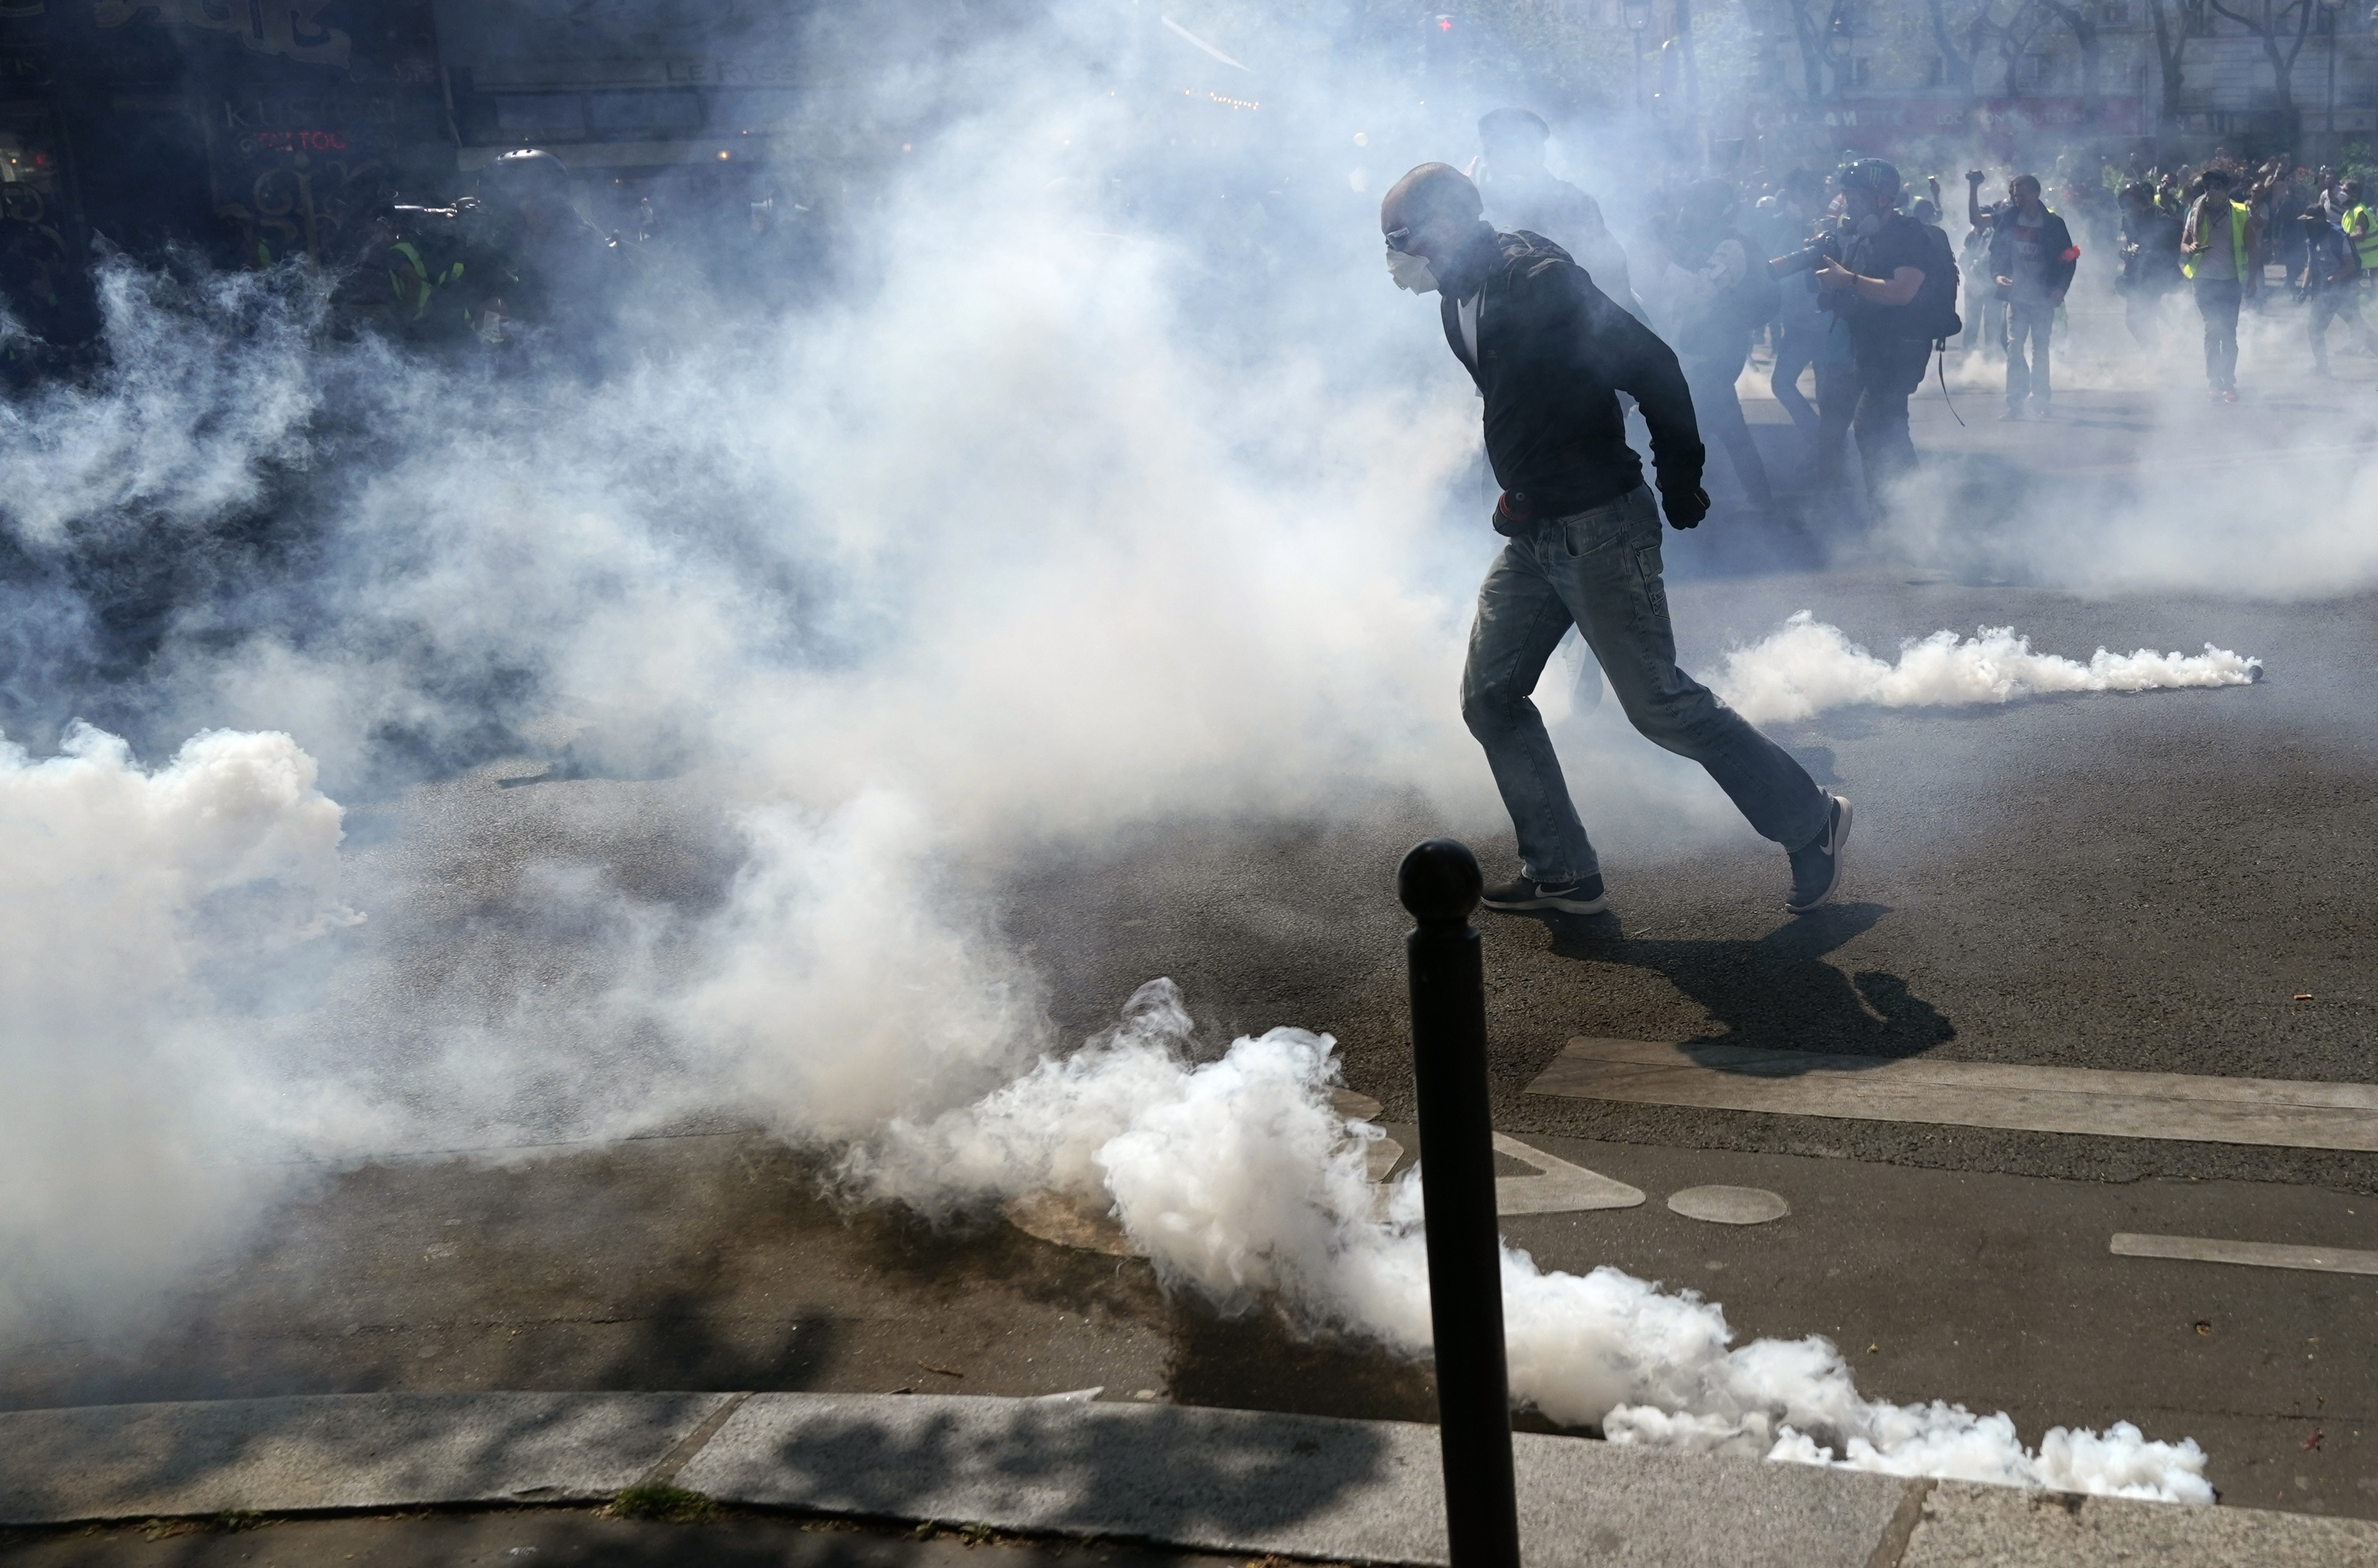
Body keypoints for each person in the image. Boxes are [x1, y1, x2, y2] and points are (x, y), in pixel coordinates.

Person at [1377, 162, 1850, 916]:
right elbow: (1524, 403)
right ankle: (1562, 868)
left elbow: (1650, 363)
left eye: (1400, 237)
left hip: (1600, 524)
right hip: (1537, 530)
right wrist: (1516, 487)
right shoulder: (1454, 301)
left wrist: (1681, 472)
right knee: (1490, 697)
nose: (1395, 255)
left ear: (1446, 223)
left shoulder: (1538, 280)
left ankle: (1810, 820)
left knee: (1657, 704)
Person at [1814, 159, 1955, 506]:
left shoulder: (1908, 235)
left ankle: (1899, 514)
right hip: (1872, 349)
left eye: (1855, 196)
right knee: (1884, 430)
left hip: (1901, 349)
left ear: (1882, 199)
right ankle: (1907, 510)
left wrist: (1847, 279)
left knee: (1874, 427)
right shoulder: (1864, 236)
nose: (1849, 204)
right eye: (1845, 196)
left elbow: (1901, 291)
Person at [1658, 179, 1775, 510]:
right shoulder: (1703, 242)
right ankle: (1762, 501)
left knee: (1688, 435)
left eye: (1695, 206)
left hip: (1713, 357)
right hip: (1699, 355)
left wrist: (1662, 260)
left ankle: (1678, 505)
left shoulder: (1730, 247)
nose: (1687, 213)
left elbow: (1700, 290)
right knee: (1728, 430)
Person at [1470, 108, 1638, 317]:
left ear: (1536, 152)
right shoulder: (1481, 201)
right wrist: (1468, 204)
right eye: (1490, 150)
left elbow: (1610, 268)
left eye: (1506, 147)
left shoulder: (1572, 201)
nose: (1492, 158)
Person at [1987, 173, 2078, 420]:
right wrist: (1997, 275)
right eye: (2016, 196)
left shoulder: (2053, 224)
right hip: (2017, 297)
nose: (2018, 200)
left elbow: (2070, 259)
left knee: (2041, 349)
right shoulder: (2009, 218)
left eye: (2023, 195)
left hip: (2043, 298)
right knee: (2015, 347)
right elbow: (1995, 250)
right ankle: (2015, 404)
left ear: (2036, 194)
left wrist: (2060, 289)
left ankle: (2041, 400)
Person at [2182, 167, 2257, 403]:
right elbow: (2183, 245)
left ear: (2226, 188)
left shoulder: (2241, 212)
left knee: (2229, 333)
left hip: (2231, 281)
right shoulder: (2195, 211)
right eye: (2207, 186)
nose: (2210, 191)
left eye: (2216, 186)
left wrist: (2253, 279)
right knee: (2212, 330)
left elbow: (2254, 248)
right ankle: (2214, 382)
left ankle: (2229, 382)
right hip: (2204, 281)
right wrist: (2190, 248)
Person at [2297, 206, 2377, 375]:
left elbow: (2351, 265)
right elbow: (2311, 265)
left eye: (2310, 221)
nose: (2307, 225)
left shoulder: (2338, 236)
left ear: (2320, 220)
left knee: (2350, 326)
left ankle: (2322, 368)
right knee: (2321, 328)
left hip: (2343, 290)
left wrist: (2336, 278)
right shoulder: (2312, 240)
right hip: (2326, 292)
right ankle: (2322, 367)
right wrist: (2304, 289)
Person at [2116, 181, 2182, 349]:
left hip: (2156, 275)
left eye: (2132, 203)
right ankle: (2155, 350)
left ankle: (2156, 355)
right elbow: (2128, 241)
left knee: (2145, 318)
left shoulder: (2160, 217)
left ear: (2142, 201)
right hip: (2136, 274)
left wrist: (2148, 252)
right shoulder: (2128, 220)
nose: (2129, 208)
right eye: (2126, 205)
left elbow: (2173, 243)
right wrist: (2126, 252)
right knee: (2132, 321)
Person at [1962, 169, 2005, 359]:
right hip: (1973, 287)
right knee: (1971, 325)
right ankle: (1968, 359)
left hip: (1992, 286)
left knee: (1992, 325)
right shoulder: (1971, 236)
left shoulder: (1995, 235)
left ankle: (1991, 358)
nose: (1977, 225)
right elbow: (1964, 260)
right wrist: (1970, 276)